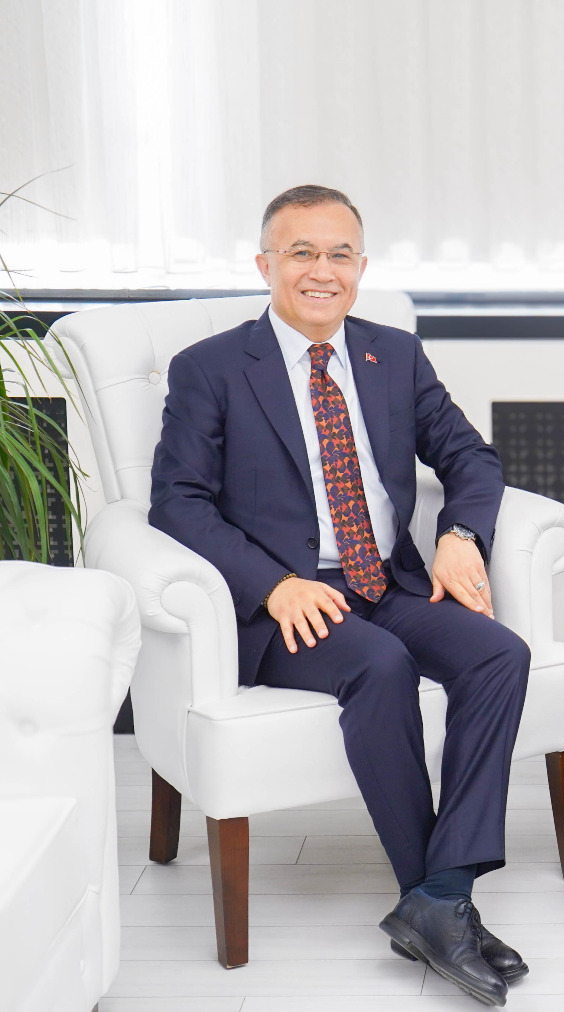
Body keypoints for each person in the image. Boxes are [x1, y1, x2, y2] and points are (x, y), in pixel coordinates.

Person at [150, 184, 529, 1006]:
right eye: (302, 252)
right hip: (290, 600)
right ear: (265, 265)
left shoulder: (395, 355)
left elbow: (470, 457)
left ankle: (440, 897)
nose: (322, 271)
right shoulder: (212, 369)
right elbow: (176, 502)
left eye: (340, 254)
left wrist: (461, 535)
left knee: (500, 654)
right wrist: (272, 584)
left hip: (384, 580)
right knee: (380, 665)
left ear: (361, 267)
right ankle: (437, 901)